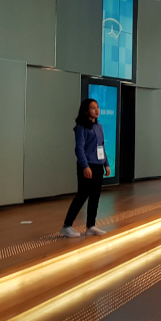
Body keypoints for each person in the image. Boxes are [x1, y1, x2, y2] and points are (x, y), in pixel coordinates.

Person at [61, 98, 111, 237]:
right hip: (87, 166)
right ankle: (67, 226)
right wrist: (85, 166)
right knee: (82, 196)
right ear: (86, 110)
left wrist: (106, 164)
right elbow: (79, 149)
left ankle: (91, 226)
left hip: (98, 166)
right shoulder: (81, 128)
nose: (96, 110)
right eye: (92, 108)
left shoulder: (99, 127)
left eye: (98, 107)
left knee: (95, 196)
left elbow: (101, 147)